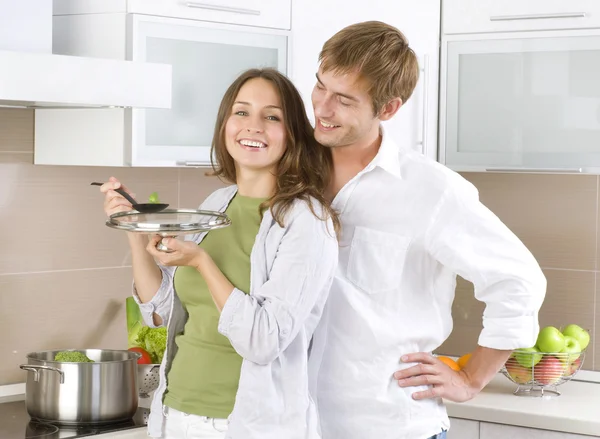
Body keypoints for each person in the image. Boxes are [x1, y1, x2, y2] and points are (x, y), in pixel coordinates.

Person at [305, 21, 547, 439]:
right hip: (294, 424)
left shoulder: (431, 191)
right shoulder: (293, 175)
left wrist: (471, 378)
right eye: (320, 86)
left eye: (343, 99)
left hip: (391, 428)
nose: (322, 108)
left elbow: (519, 281)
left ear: (388, 109)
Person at [98, 68, 339, 439]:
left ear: (292, 134)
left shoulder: (306, 220)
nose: (253, 126)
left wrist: (201, 262)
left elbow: (264, 340)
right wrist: (134, 228)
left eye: (271, 116)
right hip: (176, 413)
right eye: (241, 112)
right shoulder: (216, 205)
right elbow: (160, 312)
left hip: (245, 423)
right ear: (225, 123)